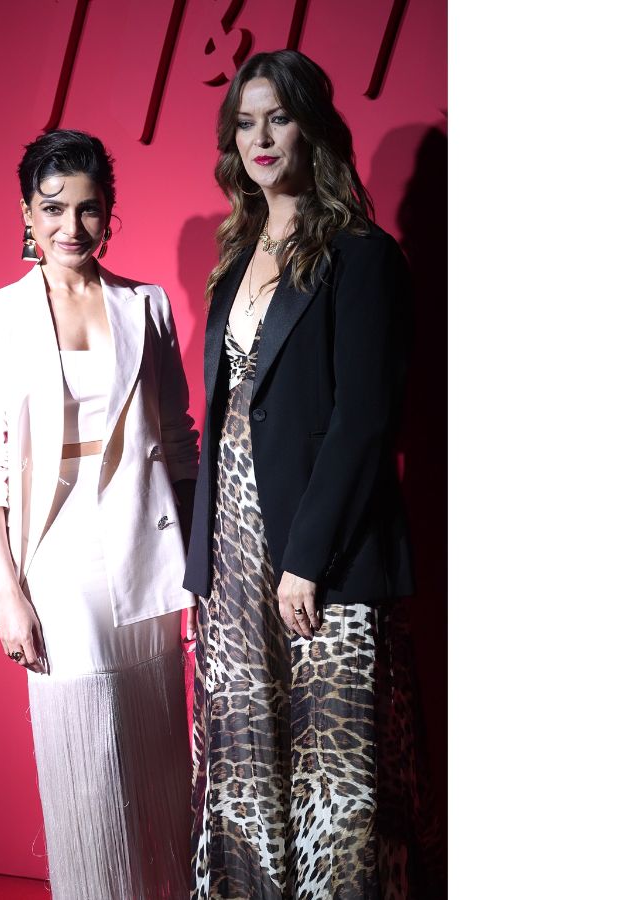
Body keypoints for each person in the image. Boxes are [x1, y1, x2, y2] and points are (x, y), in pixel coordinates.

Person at [184, 50, 444, 898]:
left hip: (323, 548)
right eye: (245, 122)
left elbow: (364, 421)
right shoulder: (236, 256)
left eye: (279, 117)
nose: (260, 137)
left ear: (313, 128)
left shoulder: (363, 256)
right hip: (234, 544)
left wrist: (305, 559)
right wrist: (206, 562)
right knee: (247, 765)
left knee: (336, 779)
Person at [0, 129, 196, 900]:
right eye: (53, 208)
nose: (72, 226)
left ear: (109, 211)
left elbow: (180, 443)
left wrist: (199, 567)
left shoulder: (145, 304)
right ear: (27, 212)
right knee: (88, 763)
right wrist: (9, 593)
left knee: (157, 752)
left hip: (144, 549)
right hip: (56, 560)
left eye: (89, 209)